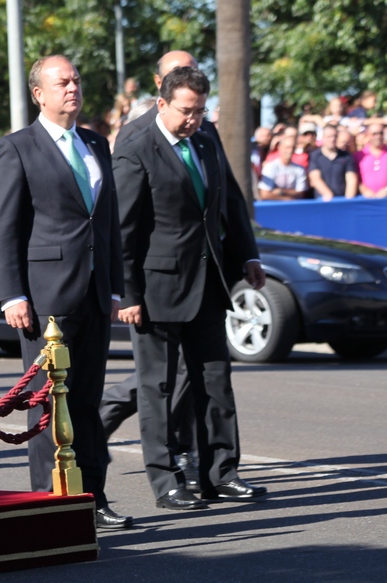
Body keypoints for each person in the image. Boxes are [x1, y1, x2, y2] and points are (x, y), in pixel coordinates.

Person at [0, 55, 131, 531]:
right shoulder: (18, 148)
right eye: (62, 82)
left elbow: (106, 223)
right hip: (44, 298)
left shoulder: (95, 143)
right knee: (47, 404)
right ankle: (50, 503)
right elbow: (0, 226)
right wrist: (11, 295)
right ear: (39, 94)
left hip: (93, 293)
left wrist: (114, 287)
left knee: (87, 400)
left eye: (76, 81)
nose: (72, 88)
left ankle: (93, 496)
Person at [113, 66, 267, 512]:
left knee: (216, 381)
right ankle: (167, 481)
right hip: (156, 288)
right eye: (186, 111)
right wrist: (128, 293)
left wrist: (247, 255)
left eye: (201, 110)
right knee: (157, 388)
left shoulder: (205, 138)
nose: (194, 120)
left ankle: (221, 472)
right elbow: (123, 227)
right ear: (161, 103)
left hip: (207, 283)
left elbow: (229, 201)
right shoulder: (137, 144)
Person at [308, 120, 360, 200]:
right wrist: (328, 195)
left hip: (342, 201)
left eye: (334, 136)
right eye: (329, 136)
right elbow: (315, 179)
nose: (332, 139)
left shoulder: (346, 156)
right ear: (323, 138)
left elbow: (351, 180)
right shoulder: (315, 156)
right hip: (322, 202)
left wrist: (348, 201)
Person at [355, 122, 387, 198]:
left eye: (381, 133)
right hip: (365, 199)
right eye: (374, 134)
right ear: (368, 135)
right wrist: (364, 190)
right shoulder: (359, 155)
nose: (378, 136)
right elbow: (355, 178)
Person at [258, 134, 309, 200]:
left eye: (292, 148)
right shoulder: (270, 167)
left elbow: (301, 193)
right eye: (287, 147)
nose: (290, 150)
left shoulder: (300, 169)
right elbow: (264, 194)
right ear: (280, 148)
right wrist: (288, 198)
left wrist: (281, 192)